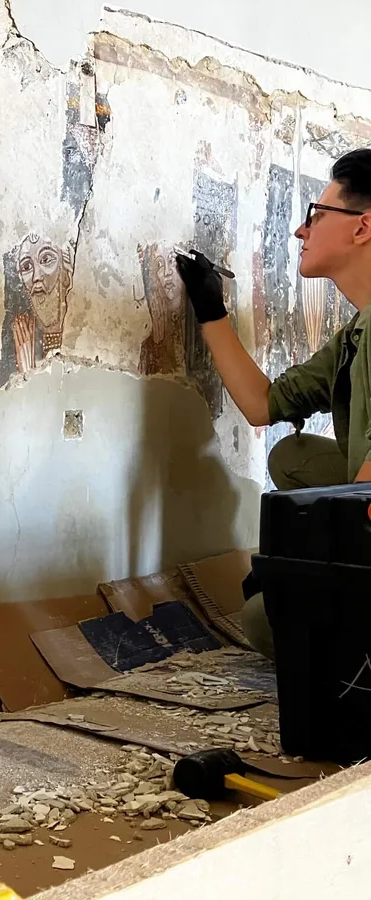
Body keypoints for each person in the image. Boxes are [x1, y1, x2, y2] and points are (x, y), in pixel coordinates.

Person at [176, 148, 371, 659]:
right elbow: (264, 405)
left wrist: (303, 565)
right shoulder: (356, 334)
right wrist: (209, 306)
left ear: (362, 227)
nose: (301, 231)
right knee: (292, 458)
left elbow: (369, 496)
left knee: (267, 619)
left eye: (317, 215)